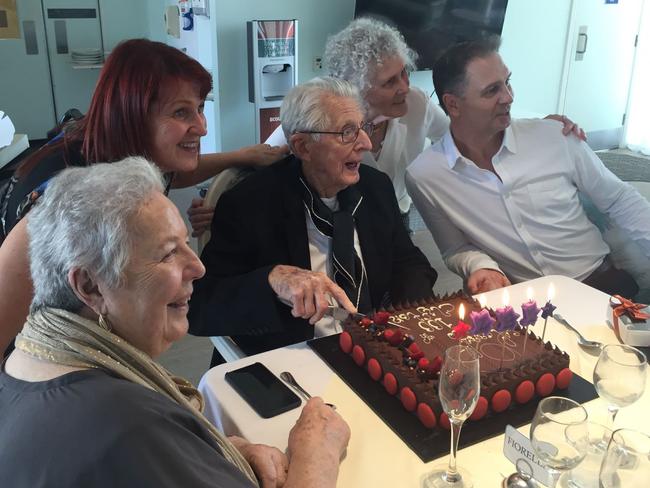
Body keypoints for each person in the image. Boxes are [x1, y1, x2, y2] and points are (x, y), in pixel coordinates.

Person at [0, 158, 350, 488]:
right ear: (91, 286)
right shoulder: (126, 425)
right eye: (168, 252)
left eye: (186, 243)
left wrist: (223, 452)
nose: (198, 267)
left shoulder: (27, 360)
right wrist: (316, 452)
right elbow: (130, 445)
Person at [0, 38, 287, 355]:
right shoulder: (63, 198)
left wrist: (241, 156)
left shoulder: (124, 151)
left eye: (201, 108)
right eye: (181, 112)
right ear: (132, 114)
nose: (202, 127)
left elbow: (173, 171)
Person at [188, 77, 437, 359]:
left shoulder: (374, 187)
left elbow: (409, 263)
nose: (366, 143)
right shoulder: (250, 203)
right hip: (295, 361)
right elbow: (200, 305)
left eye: (363, 127)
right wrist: (271, 280)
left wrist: (410, 323)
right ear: (303, 147)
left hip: (374, 353)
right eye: (347, 132)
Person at [264, 17, 584, 231]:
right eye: (390, 82)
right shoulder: (320, 113)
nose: (404, 85)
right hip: (329, 217)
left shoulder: (415, 103)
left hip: (394, 216)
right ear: (355, 87)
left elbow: (468, 133)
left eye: (404, 72)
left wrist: (535, 128)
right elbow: (269, 157)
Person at [405, 37, 650, 296]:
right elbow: (454, 249)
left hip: (602, 284)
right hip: (527, 304)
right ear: (453, 104)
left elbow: (619, 200)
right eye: (492, 91)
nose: (508, 97)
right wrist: (481, 266)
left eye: (507, 82)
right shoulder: (426, 176)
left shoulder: (554, 136)